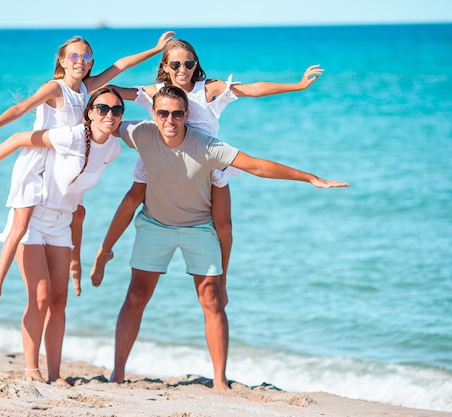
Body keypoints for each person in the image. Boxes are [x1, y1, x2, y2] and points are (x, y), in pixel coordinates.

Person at [109, 86, 348, 390]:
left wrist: (311, 178)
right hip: (156, 225)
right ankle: (117, 374)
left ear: (187, 115)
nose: (170, 119)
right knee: (136, 295)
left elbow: (257, 166)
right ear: (154, 114)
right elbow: (102, 119)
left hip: (199, 226)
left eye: (177, 113)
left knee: (211, 298)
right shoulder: (140, 133)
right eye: (163, 113)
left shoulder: (208, 146)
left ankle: (220, 380)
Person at [0, 31, 174, 326]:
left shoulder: (87, 88)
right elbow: (21, 109)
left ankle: (74, 262)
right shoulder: (55, 88)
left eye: (86, 57)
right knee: (20, 225)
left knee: (78, 213)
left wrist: (156, 49)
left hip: (70, 163)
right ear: (62, 61)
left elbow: (120, 65)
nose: (81, 61)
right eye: (74, 56)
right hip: (38, 161)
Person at [91, 38, 323, 305]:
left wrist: (297, 85)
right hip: (160, 158)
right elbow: (106, 90)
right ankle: (104, 251)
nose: (182, 69)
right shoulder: (157, 92)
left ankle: (221, 280)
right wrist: (79, 86)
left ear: (195, 65)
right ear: (165, 66)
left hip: (207, 162)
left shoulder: (208, 89)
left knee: (224, 226)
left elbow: (253, 89)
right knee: (131, 200)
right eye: (175, 64)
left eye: (189, 63)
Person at [0, 87, 126, 384]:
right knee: (41, 295)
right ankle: (31, 370)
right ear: (89, 112)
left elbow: (80, 205)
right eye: (102, 108)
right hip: (34, 219)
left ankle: (55, 374)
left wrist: (77, 261)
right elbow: (20, 138)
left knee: (59, 301)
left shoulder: (113, 148)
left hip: (62, 223)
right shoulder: (70, 136)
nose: (109, 115)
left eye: (116, 110)